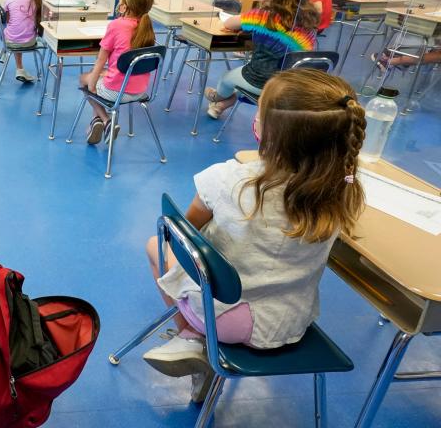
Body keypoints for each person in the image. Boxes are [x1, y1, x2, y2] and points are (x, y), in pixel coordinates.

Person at [141, 68, 366, 402]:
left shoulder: (229, 179)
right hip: (290, 321)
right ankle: (197, 342)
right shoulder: (343, 190)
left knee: (154, 244)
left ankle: (192, 336)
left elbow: (184, 231)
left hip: (227, 321)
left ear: (269, 134)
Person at [205, 0, 319, 119]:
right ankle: (220, 106)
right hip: (290, 86)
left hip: (259, 80)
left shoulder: (263, 16)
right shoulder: (308, 22)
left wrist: (248, 26)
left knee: (227, 78)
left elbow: (229, 23)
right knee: (246, 86)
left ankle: (216, 98)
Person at [78, 0, 156, 144]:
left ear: (125, 6)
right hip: (141, 90)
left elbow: (101, 59)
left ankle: (106, 120)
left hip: (116, 92)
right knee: (100, 74)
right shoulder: (147, 27)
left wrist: (92, 84)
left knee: (85, 79)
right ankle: (96, 122)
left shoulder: (116, 25)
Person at [1, 0, 43, 83]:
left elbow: (8, 20)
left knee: (11, 33)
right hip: (30, 41)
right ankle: (19, 69)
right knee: (20, 33)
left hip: (10, 42)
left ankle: (5, 55)